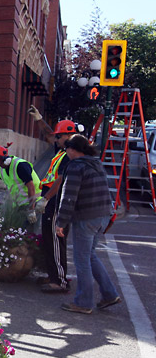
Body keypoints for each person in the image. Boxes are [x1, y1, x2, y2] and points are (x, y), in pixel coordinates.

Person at [55, 134, 121, 314]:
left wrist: (60, 222)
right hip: (103, 214)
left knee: (81, 260)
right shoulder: (95, 163)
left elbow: (69, 197)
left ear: (73, 149)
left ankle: (84, 302)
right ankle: (109, 294)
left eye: (67, 148)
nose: (66, 152)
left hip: (86, 217)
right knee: (90, 256)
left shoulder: (76, 166)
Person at [30, 106, 80, 293]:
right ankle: (53, 275)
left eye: (60, 136)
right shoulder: (61, 149)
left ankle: (60, 281)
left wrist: (47, 199)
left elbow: (60, 179)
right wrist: (39, 119)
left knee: (56, 240)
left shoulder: (70, 155)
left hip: (57, 201)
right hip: (50, 200)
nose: (56, 139)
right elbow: (49, 135)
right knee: (49, 239)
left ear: (70, 136)